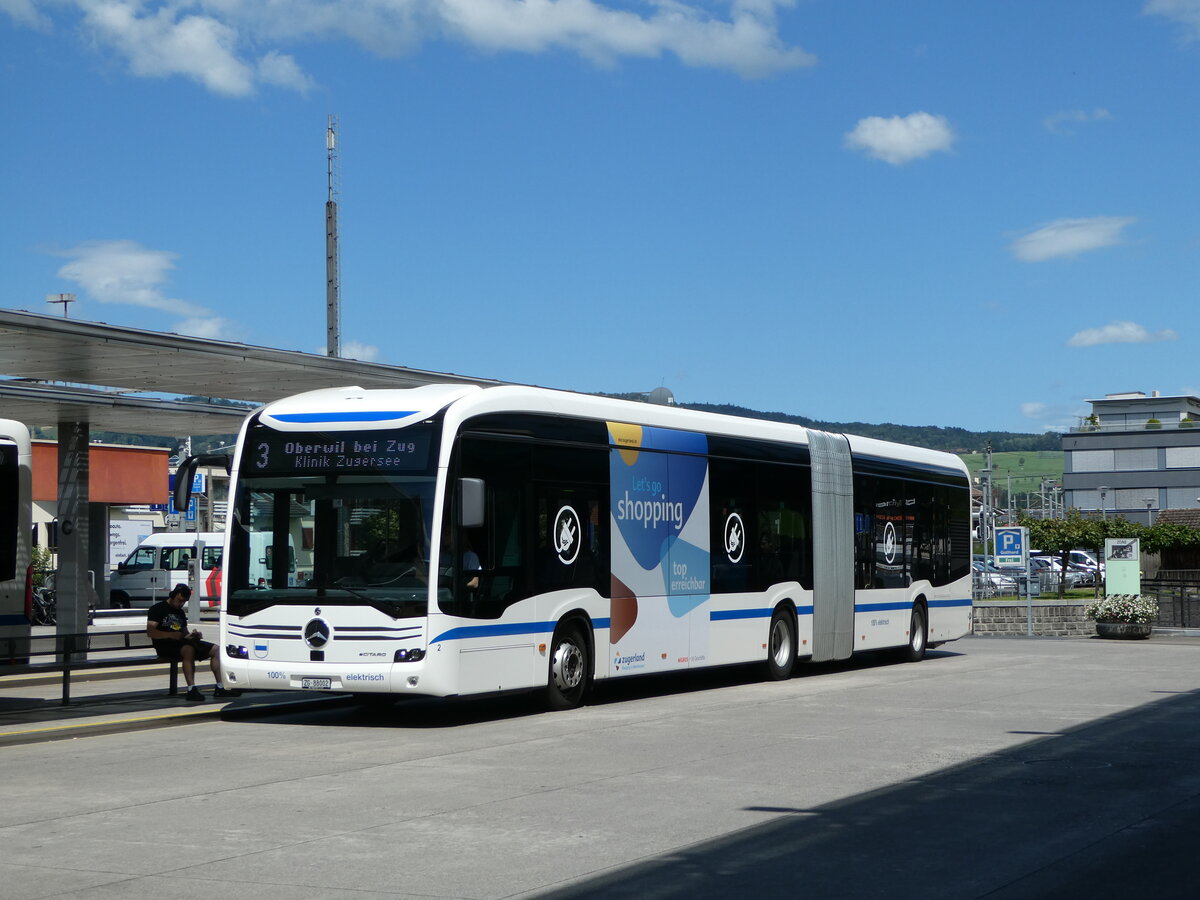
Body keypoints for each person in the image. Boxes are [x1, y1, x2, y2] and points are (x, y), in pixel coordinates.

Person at [146, 583, 237, 701]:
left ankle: (220, 687)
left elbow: (184, 633)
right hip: (164, 645)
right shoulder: (157, 609)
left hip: (182, 643)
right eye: (180, 600)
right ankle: (191, 688)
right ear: (174, 595)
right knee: (189, 650)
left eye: (184, 602)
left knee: (216, 649)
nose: (181, 604)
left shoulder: (180, 612)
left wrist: (193, 636)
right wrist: (171, 635)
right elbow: (151, 632)